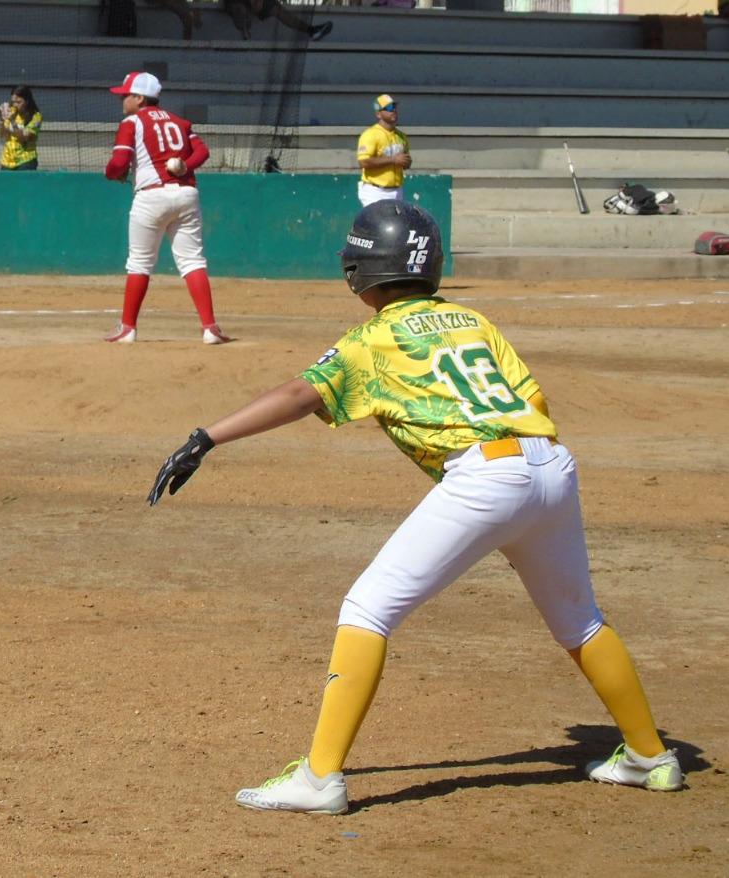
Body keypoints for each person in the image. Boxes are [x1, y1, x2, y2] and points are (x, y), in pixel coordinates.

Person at [147, 200, 684, 814]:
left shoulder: (373, 338)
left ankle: (320, 780)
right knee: (581, 621)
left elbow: (301, 394)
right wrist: (524, 518)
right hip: (549, 465)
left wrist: (206, 438)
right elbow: (533, 399)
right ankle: (651, 756)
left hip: (486, 479)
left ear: (360, 271)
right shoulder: (471, 320)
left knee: (367, 609)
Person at [102, 71, 227, 345]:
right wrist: (186, 165)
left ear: (139, 98)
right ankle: (209, 328)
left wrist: (110, 172)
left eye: (126, 95)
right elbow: (202, 152)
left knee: (139, 263)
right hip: (186, 193)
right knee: (193, 260)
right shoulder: (179, 121)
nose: (122, 100)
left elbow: (120, 162)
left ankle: (128, 329)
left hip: (152, 196)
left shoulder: (132, 122)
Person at [356, 93, 410, 206]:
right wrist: (393, 160)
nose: (393, 111)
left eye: (394, 107)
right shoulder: (370, 134)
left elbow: (405, 161)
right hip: (375, 191)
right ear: (378, 114)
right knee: (375, 223)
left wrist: (406, 162)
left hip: (396, 190)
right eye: (389, 108)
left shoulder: (401, 136)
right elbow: (363, 162)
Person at [0, 86, 42, 171]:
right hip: (7, 160)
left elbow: (24, 137)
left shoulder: (36, 117)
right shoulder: (12, 111)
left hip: (26, 161)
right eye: (13, 102)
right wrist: (0, 119)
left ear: (27, 101)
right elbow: (2, 134)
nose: (15, 105)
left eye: (19, 102)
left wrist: (12, 121)